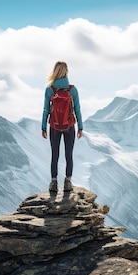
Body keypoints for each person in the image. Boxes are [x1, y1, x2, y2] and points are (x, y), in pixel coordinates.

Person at [42, 61, 83, 193]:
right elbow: (77, 109)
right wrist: (80, 127)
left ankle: (53, 183)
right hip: (69, 126)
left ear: (55, 71)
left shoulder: (50, 89)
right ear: (66, 72)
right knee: (68, 155)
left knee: (55, 155)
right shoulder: (72, 89)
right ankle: (68, 182)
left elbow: (45, 110)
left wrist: (43, 127)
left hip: (54, 127)